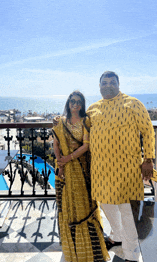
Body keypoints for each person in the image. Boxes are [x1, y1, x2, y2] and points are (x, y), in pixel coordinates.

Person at [86, 71, 155, 262]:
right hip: (101, 172)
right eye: (104, 82)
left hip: (128, 171)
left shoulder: (133, 104)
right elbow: (80, 131)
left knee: (128, 213)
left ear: (118, 84)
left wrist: (148, 159)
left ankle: (132, 254)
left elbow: (148, 130)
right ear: (99, 86)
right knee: (106, 207)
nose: (108, 85)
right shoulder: (92, 109)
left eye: (112, 82)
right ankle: (116, 236)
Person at [52, 90, 110, 262]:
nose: (75, 104)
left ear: (82, 105)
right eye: (72, 101)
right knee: (66, 205)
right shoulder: (60, 122)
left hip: (81, 168)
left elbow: (86, 145)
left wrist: (67, 159)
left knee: (84, 204)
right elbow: (55, 143)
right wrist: (60, 162)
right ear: (68, 103)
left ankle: (88, 246)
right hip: (63, 169)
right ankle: (70, 245)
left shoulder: (86, 121)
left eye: (78, 102)